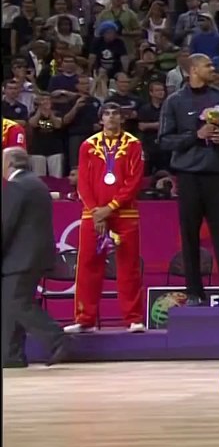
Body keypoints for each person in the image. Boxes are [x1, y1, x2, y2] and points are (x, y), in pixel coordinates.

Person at [157, 53, 219, 305]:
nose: (212, 68)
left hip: (217, 174)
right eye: (207, 65)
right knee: (190, 236)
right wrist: (195, 135)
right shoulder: (174, 101)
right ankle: (194, 292)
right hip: (188, 176)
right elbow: (164, 140)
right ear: (194, 69)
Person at [66, 103, 145, 332]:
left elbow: (134, 181)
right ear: (101, 120)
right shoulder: (87, 145)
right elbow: (83, 182)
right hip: (93, 214)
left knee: (128, 265)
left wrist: (109, 208)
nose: (111, 117)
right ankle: (85, 319)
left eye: (115, 113)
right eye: (107, 114)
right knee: (87, 266)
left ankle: (133, 319)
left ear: (122, 118)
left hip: (124, 213)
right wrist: (95, 211)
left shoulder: (133, 144)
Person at [1, 147, 70, 367]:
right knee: (11, 303)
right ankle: (11, 355)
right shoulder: (36, 183)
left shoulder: (17, 186)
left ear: (9, 163)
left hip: (21, 257)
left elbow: (6, 224)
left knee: (17, 302)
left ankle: (58, 339)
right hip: (32, 256)